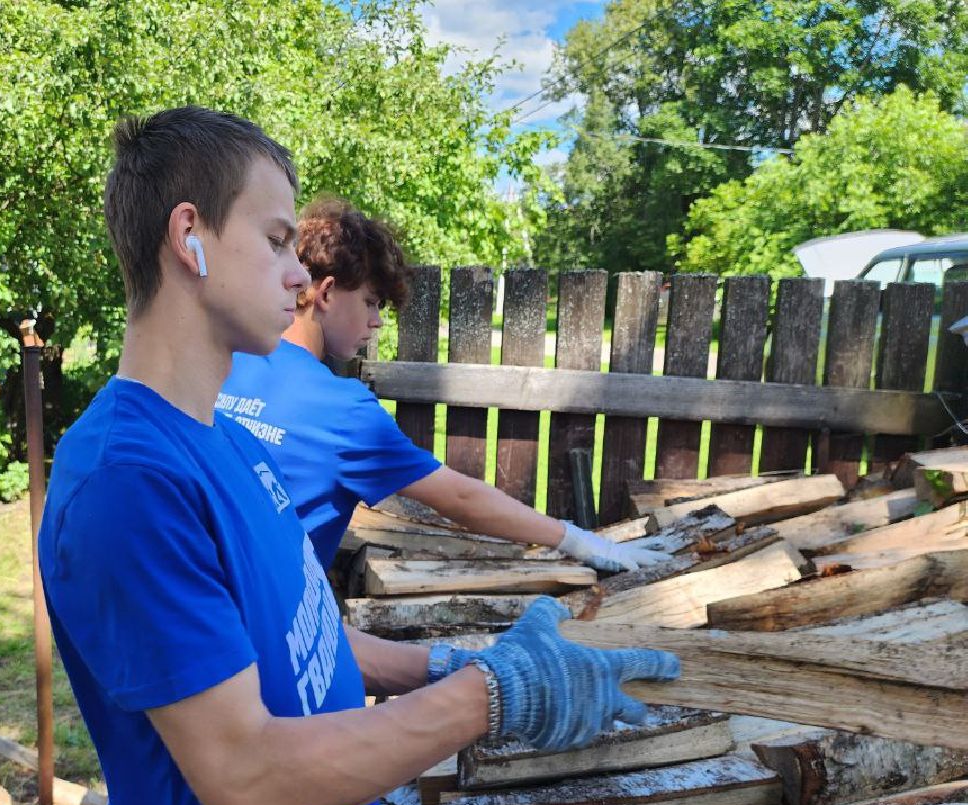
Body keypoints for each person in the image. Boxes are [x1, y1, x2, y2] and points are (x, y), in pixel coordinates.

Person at [38, 106, 679, 805]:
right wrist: (489, 698)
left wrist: (446, 663)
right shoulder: (128, 480)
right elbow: (247, 782)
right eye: (276, 239)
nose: (301, 275)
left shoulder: (225, 438)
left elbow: (302, 641)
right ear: (190, 240)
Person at [218, 197, 674, 574]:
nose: (376, 323)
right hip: (275, 633)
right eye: (371, 302)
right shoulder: (343, 409)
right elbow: (460, 497)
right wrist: (578, 540)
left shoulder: (227, 360)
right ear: (327, 291)